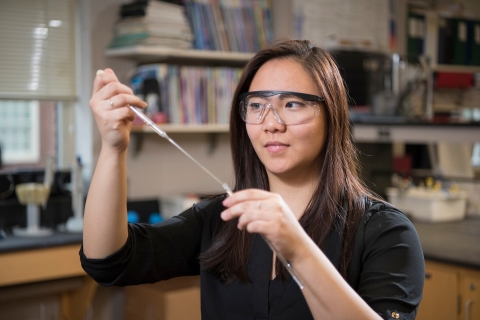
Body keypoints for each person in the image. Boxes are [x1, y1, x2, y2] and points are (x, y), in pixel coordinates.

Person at [81, 39, 424, 319]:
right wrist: (113, 149)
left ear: (331, 115)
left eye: (292, 104)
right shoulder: (222, 220)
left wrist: (297, 249)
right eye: (257, 105)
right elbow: (110, 262)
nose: (271, 123)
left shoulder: (387, 234)